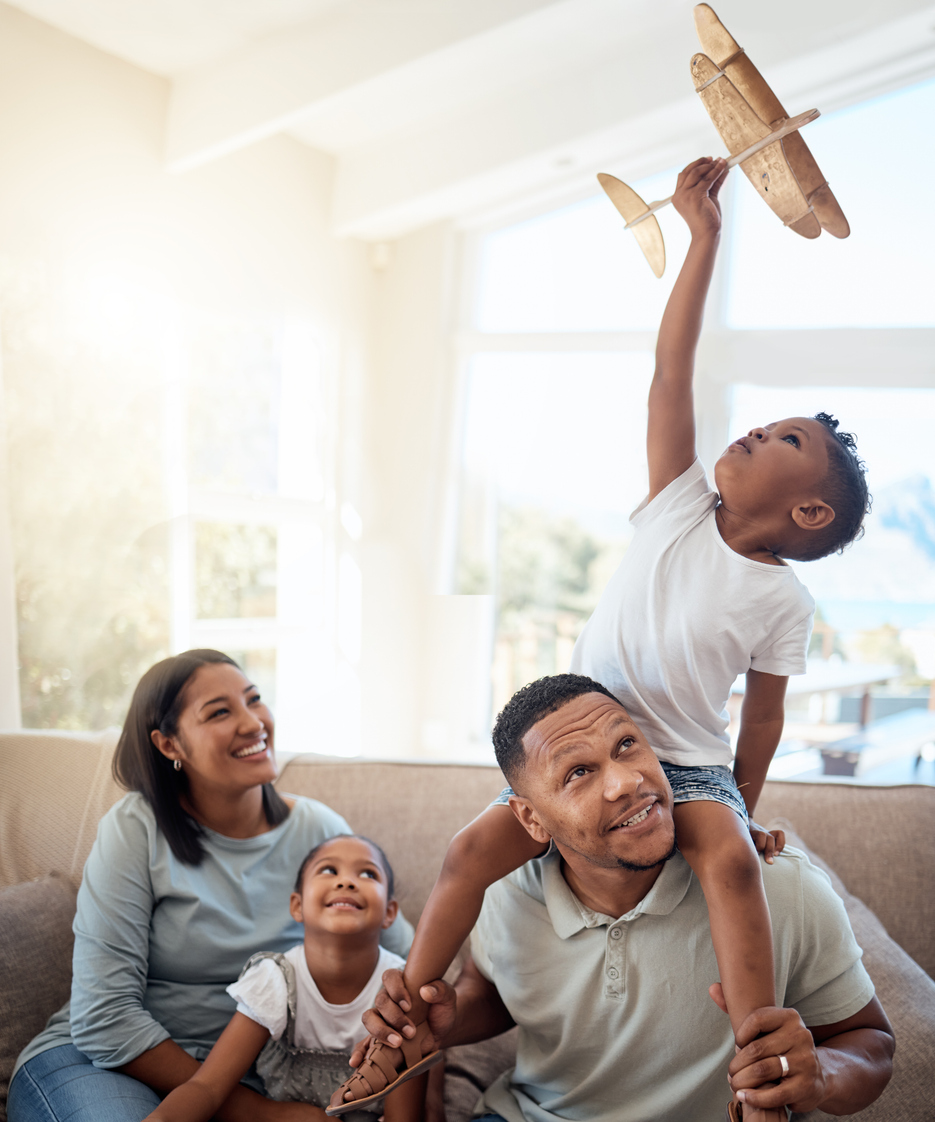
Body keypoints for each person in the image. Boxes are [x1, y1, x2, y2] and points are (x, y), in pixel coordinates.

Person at [328, 156, 871, 1120]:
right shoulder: (672, 508)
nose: (753, 434)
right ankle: (396, 1016)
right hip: (580, 745)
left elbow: (762, 723)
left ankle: (756, 1083)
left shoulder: (782, 603)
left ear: (810, 511)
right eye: (765, 424)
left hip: (685, 771)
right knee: (463, 854)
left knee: (735, 865)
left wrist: (742, 810)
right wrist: (703, 239)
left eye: (784, 442)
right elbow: (671, 371)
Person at [356, 676, 894, 1122]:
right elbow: (495, 992)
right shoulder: (503, 889)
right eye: (579, 773)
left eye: (627, 746)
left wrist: (822, 1074)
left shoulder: (779, 887)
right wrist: (453, 1018)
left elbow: (871, 1043)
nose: (626, 782)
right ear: (530, 818)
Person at [8, 649, 413, 1122]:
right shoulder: (136, 828)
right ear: (169, 745)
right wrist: (258, 1112)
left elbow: (405, 967)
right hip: (108, 1064)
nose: (253, 722)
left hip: (253, 1074)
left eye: (254, 699)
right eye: (220, 712)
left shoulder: (321, 833)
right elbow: (104, 1016)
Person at [142, 835, 429, 1122]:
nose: (346, 882)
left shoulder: (401, 989)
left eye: (368, 874)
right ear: (297, 906)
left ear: (390, 913)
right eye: (328, 870)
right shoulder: (275, 979)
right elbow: (207, 1087)